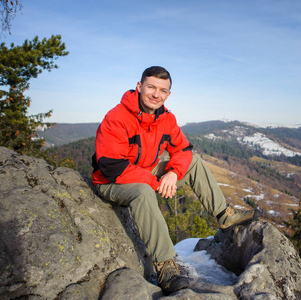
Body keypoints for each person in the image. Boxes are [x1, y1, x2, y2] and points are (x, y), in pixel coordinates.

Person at [91, 66, 261, 295]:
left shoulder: (166, 119)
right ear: (139, 87)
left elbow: (183, 149)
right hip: (111, 182)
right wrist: (154, 182)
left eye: (163, 90)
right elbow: (111, 166)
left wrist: (172, 173)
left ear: (168, 94)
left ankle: (224, 215)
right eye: (151, 87)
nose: (156, 94)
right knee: (142, 190)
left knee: (193, 162)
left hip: (144, 173)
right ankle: (165, 267)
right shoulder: (117, 117)